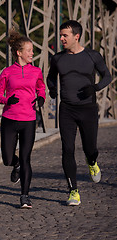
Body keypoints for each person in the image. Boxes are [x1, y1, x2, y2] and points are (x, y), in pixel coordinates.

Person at [47, 20, 112, 206]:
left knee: (90, 149)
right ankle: (73, 191)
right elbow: (51, 77)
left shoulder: (93, 56)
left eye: (65, 35)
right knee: (67, 149)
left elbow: (107, 76)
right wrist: (52, 89)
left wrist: (96, 88)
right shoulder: (58, 58)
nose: (61, 39)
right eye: (60, 35)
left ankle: (92, 162)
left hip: (88, 109)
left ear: (76, 36)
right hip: (66, 109)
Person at [0, 30, 46, 209]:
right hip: (9, 118)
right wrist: (7, 100)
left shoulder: (36, 71)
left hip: (29, 119)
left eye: (32, 50)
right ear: (19, 52)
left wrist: (41, 98)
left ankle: (25, 196)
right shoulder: (7, 72)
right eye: (29, 50)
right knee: (7, 158)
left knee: (26, 158)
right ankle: (14, 165)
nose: (32, 53)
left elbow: (41, 88)